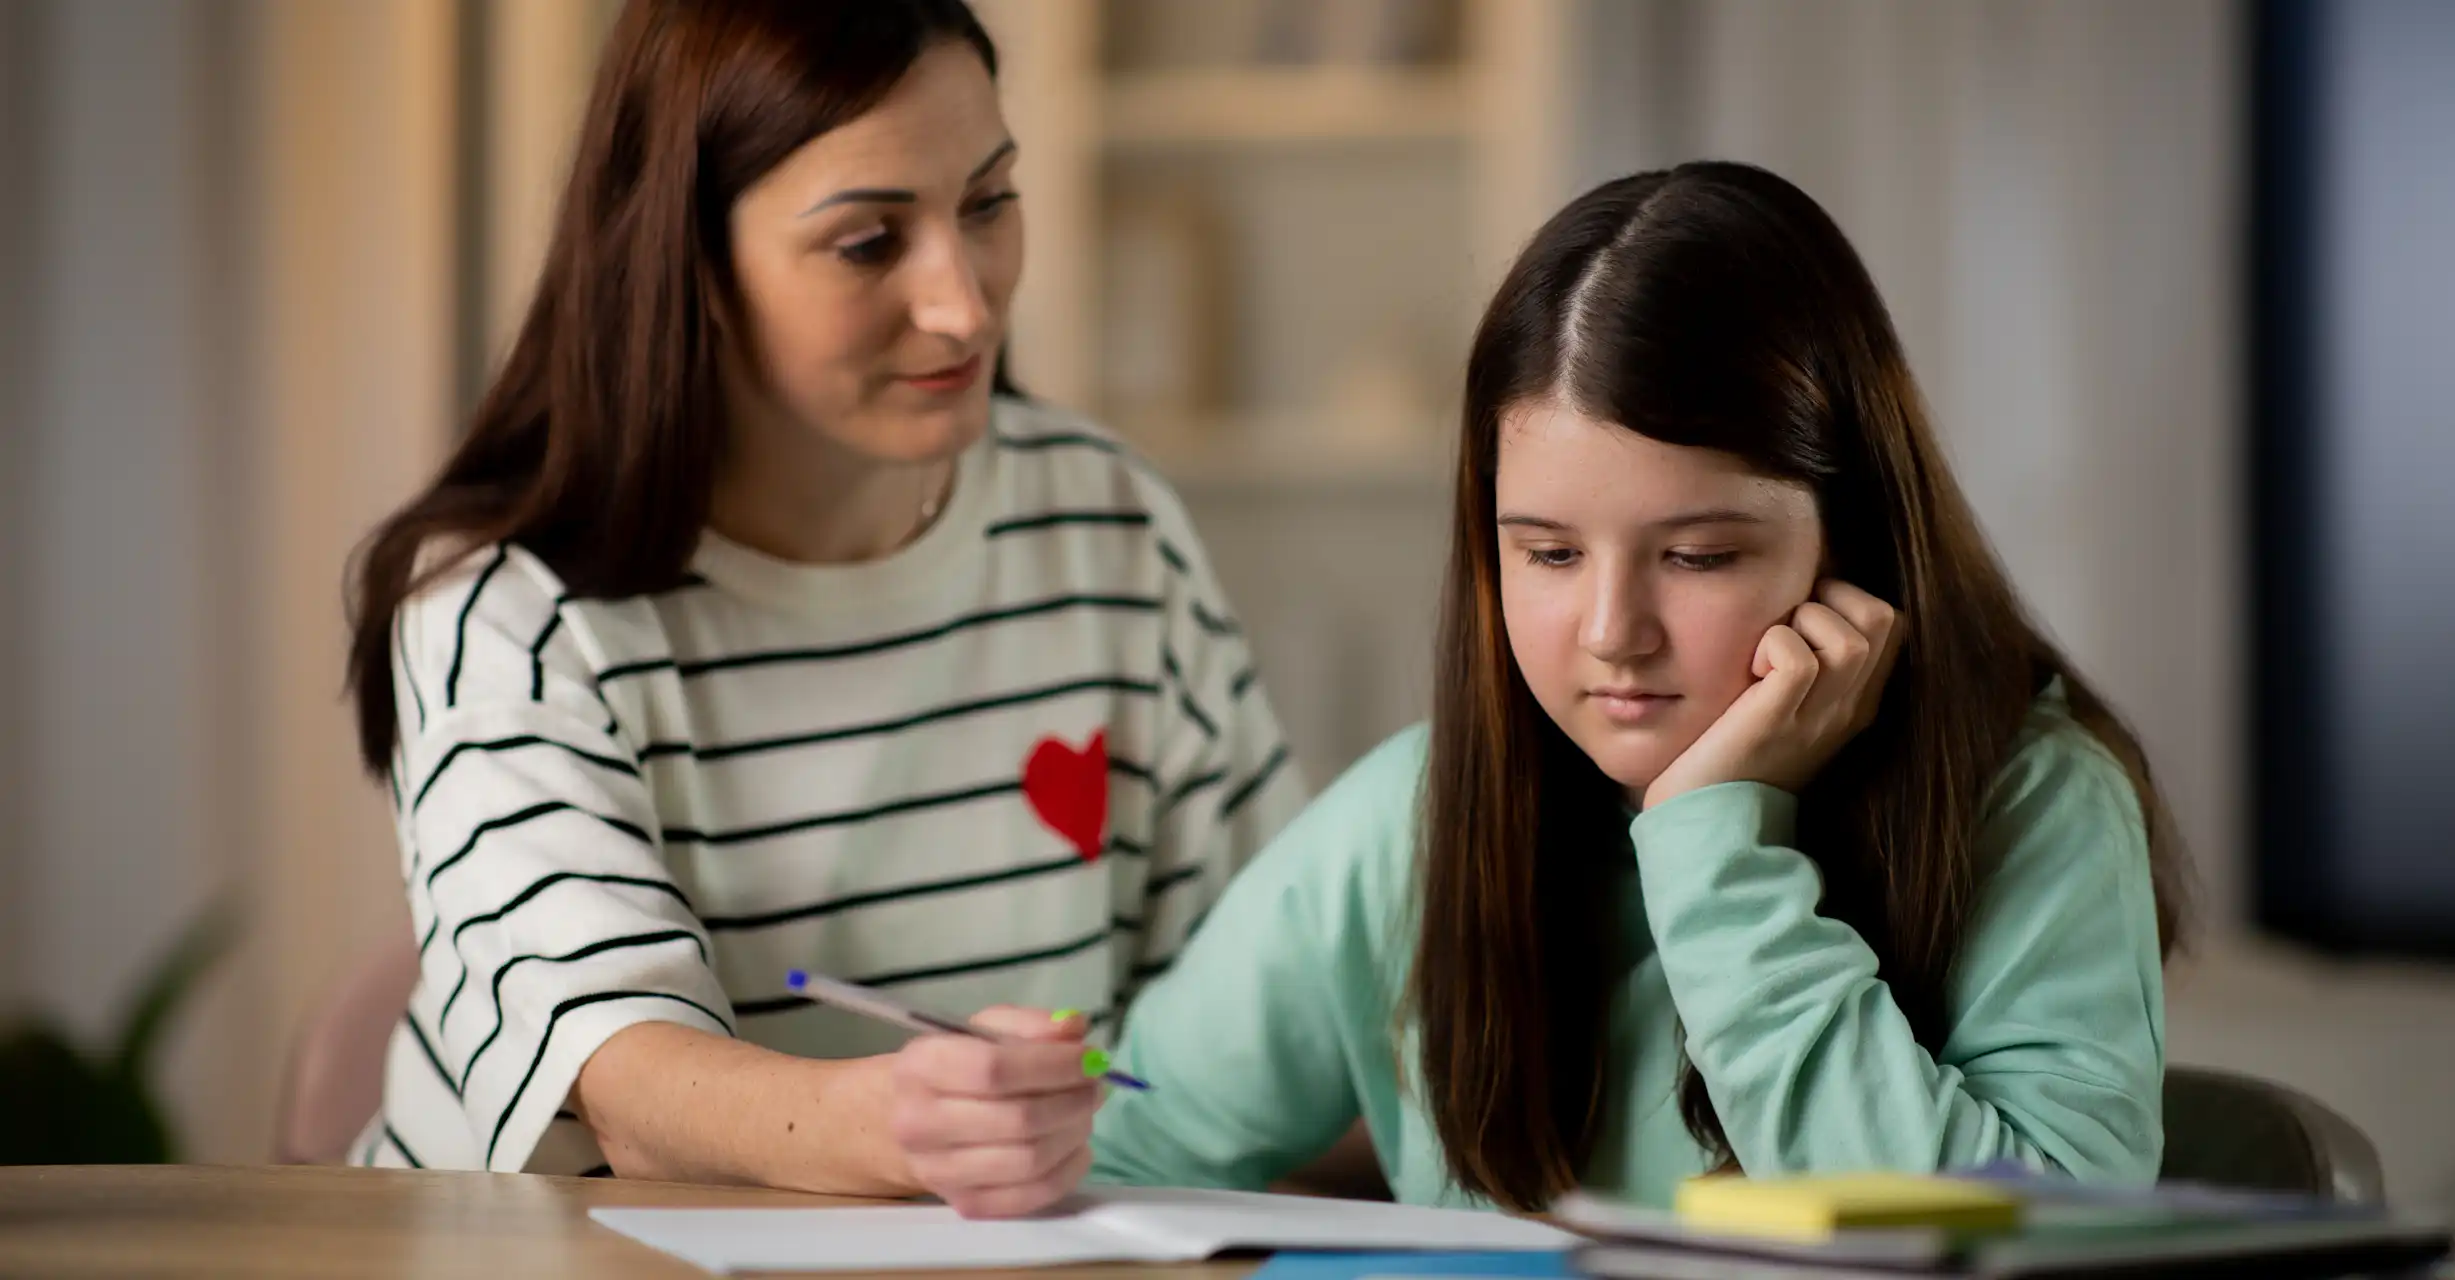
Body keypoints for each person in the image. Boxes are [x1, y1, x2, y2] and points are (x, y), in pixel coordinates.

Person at [886, 161, 2187, 1217]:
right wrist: (1013, 1121)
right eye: (1548, 553)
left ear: (1852, 540)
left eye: (1698, 555)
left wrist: (1714, 847)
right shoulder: (1414, 818)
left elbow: (2035, 1244)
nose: (1611, 632)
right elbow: (1133, 1142)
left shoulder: (2033, 800)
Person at [340, 0, 1303, 1192]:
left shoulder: (1108, 526)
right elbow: (619, 1080)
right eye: (867, 242)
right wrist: (917, 1122)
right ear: (686, 262)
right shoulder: (510, 614)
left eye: (989, 203)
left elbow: (1274, 986)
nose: (964, 302)